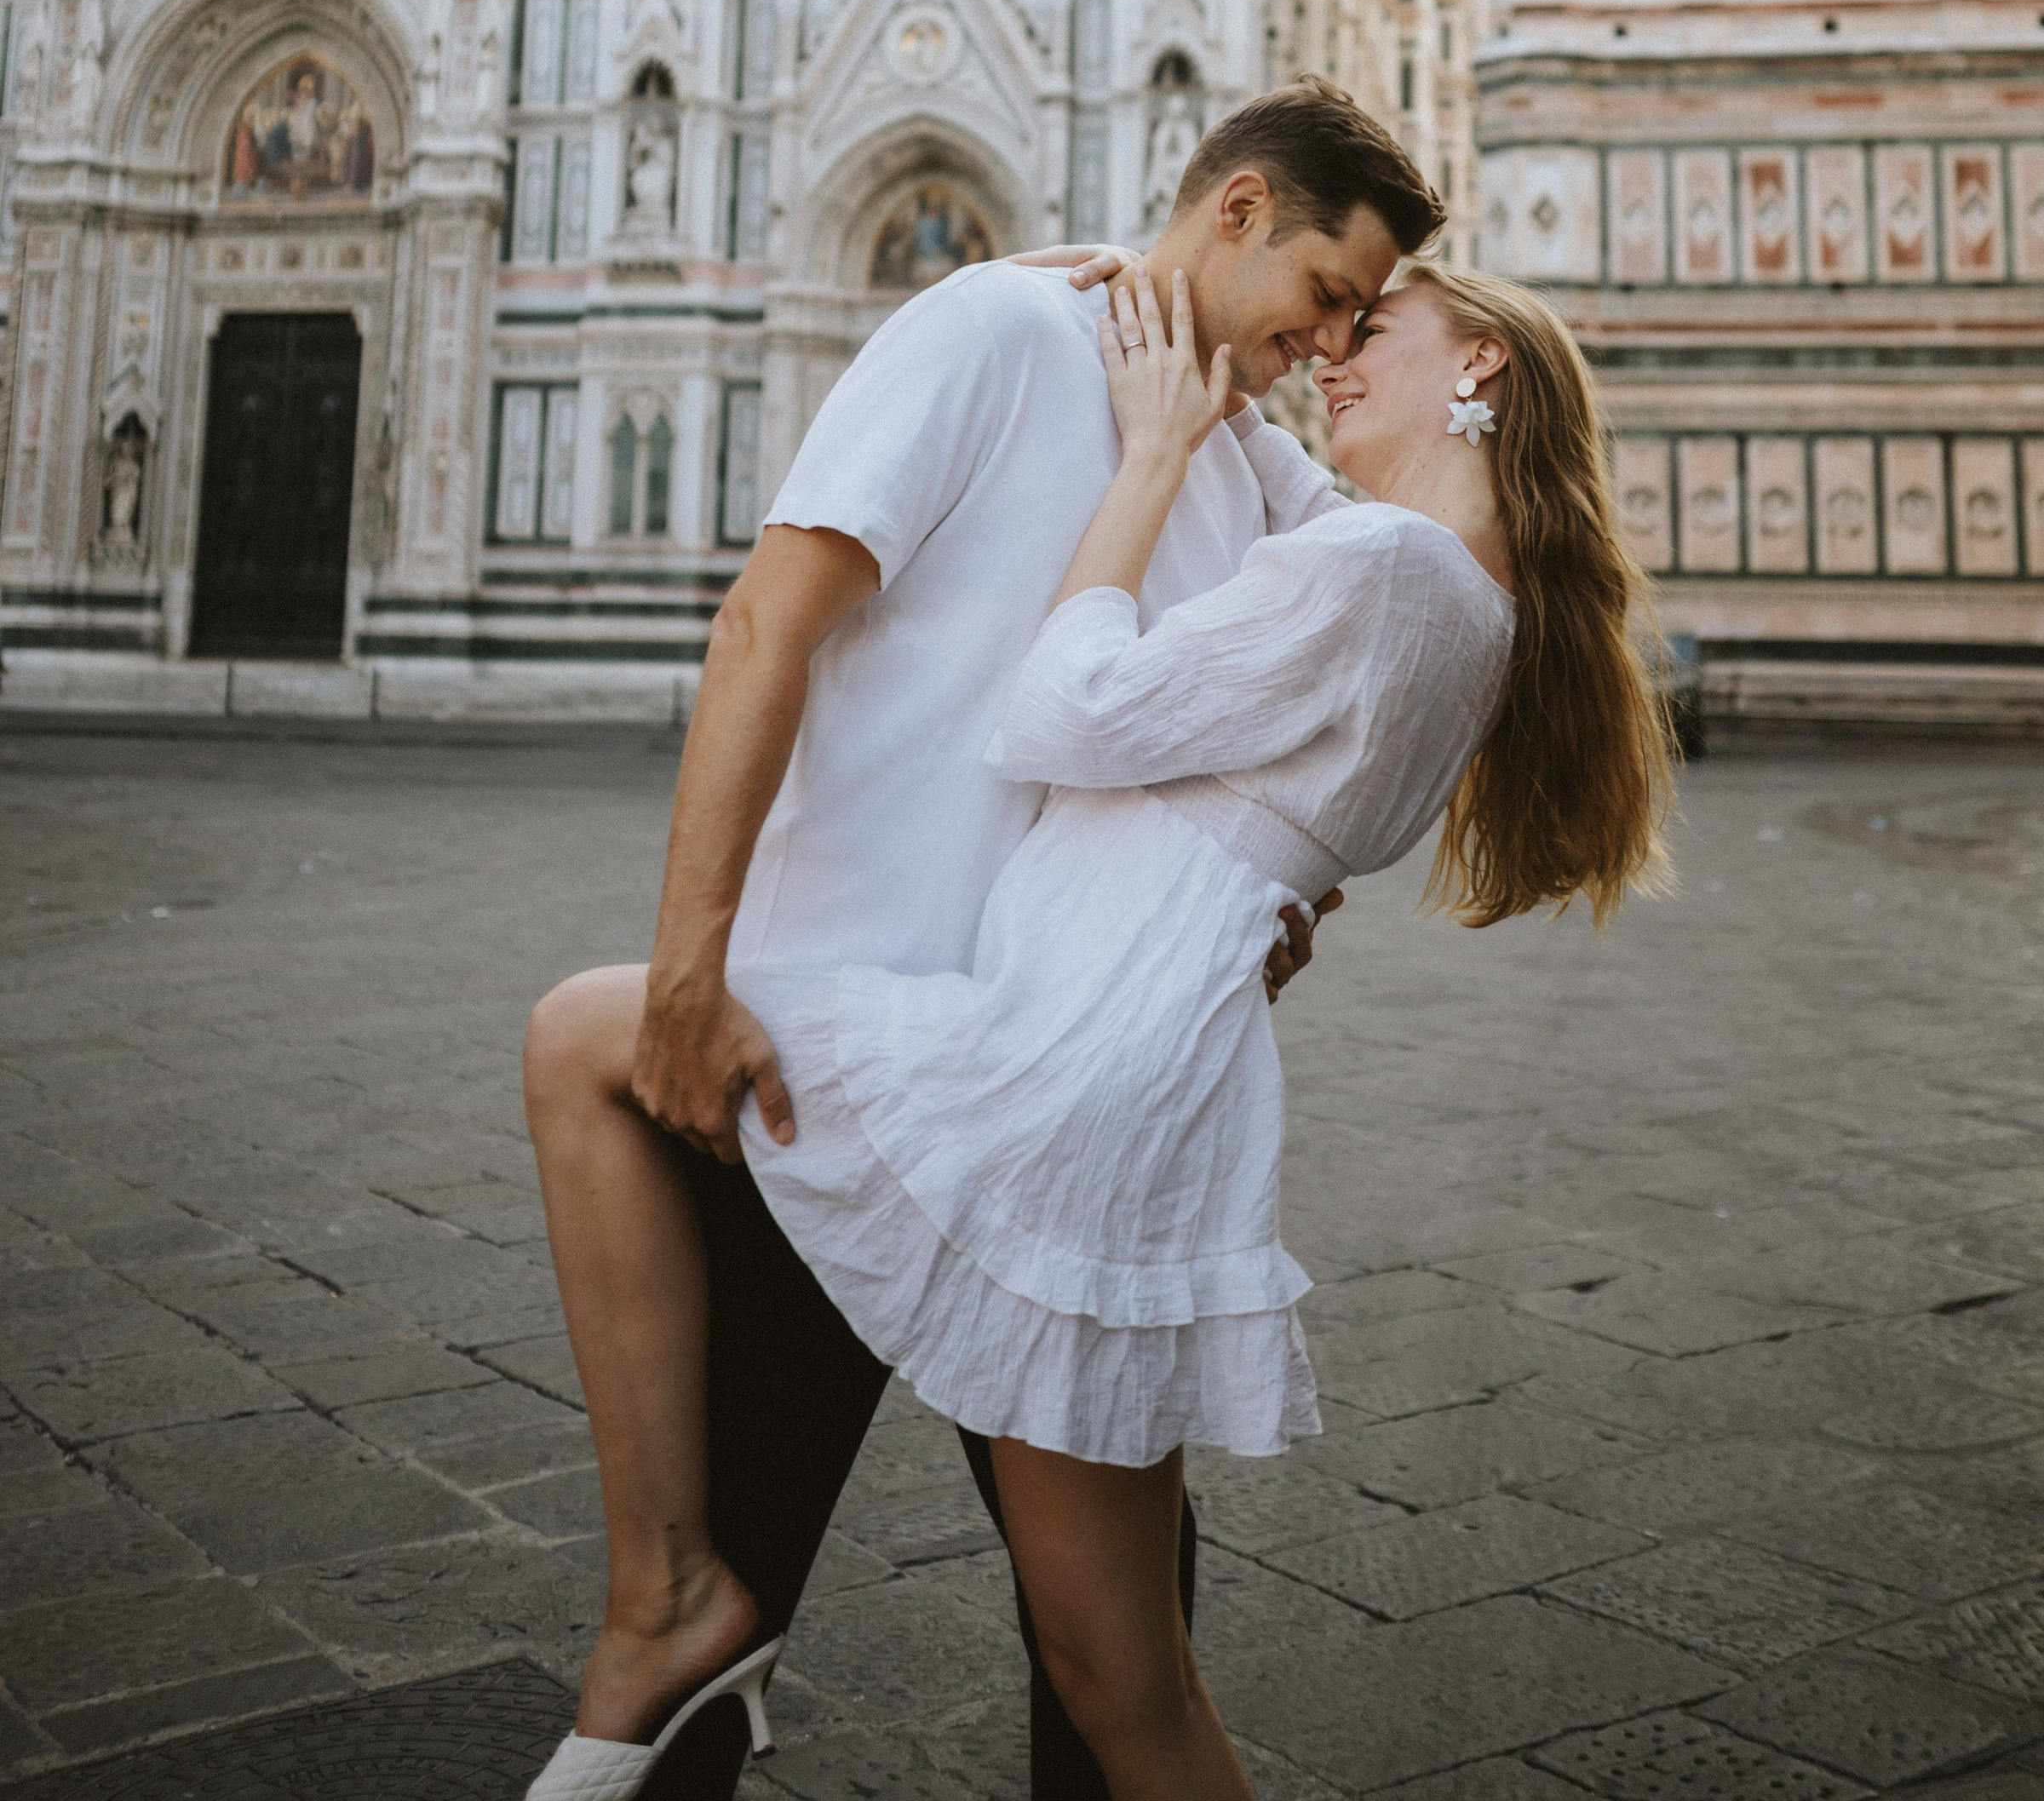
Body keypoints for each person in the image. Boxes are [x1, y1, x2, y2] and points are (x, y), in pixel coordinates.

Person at [524, 100, 1674, 1798]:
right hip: (861, 1033)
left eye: (1366, 321)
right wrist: (694, 970)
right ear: (1236, 204)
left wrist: (1240, 906)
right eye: (1323, 294)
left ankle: (664, 1614)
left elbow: (1188, 725)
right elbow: (768, 616)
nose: (1329, 344)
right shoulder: (1006, 335)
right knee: (1068, 1650)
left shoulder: (1276, 492)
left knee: (1071, 1652)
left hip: (1021, 1079)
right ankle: (667, 1626)